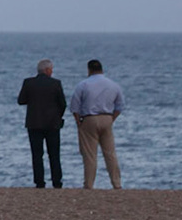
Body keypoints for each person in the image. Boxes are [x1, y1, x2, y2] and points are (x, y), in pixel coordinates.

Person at [70, 59, 126, 189]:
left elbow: (74, 106)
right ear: (102, 69)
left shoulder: (83, 85)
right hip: (107, 118)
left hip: (89, 118)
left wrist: (78, 121)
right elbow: (120, 106)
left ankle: (89, 184)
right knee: (110, 153)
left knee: (90, 154)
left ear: (89, 70)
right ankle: (116, 183)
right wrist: (112, 118)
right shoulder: (113, 85)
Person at [16, 59, 67, 188]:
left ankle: (39, 181)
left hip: (34, 123)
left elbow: (21, 100)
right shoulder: (55, 84)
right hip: (52, 124)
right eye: (51, 69)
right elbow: (63, 104)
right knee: (54, 154)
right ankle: (57, 181)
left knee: (37, 154)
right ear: (47, 70)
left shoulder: (28, 83)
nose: (52, 72)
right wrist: (58, 116)